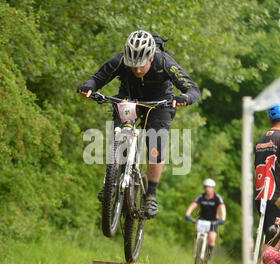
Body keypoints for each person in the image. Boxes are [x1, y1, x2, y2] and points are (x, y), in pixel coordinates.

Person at [78, 30, 200, 218]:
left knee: (156, 145)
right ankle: (111, 182)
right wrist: (89, 87)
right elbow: (98, 78)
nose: (136, 70)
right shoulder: (120, 60)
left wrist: (185, 97)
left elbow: (192, 89)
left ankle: (151, 194)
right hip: (128, 99)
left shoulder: (164, 62)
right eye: (132, 65)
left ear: (151, 57)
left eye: (141, 65)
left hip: (159, 104)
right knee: (118, 132)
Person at [254, 101, 280, 242]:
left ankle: (263, 263)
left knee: (269, 237)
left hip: (261, 196)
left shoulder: (261, 140)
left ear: (270, 119)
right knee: (276, 241)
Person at [184, 178, 226, 264]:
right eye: (206, 187)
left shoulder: (217, 198)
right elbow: (193, 205)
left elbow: (222, 207)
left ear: (213, 188)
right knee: (198, 235)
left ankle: (208, 259)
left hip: (213, 221)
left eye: (210, 187)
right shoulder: (201, 197)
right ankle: (198, 252)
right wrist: (188, 214)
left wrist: (223, 218)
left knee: (211, 239)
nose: (208, 189)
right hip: (202, 220)